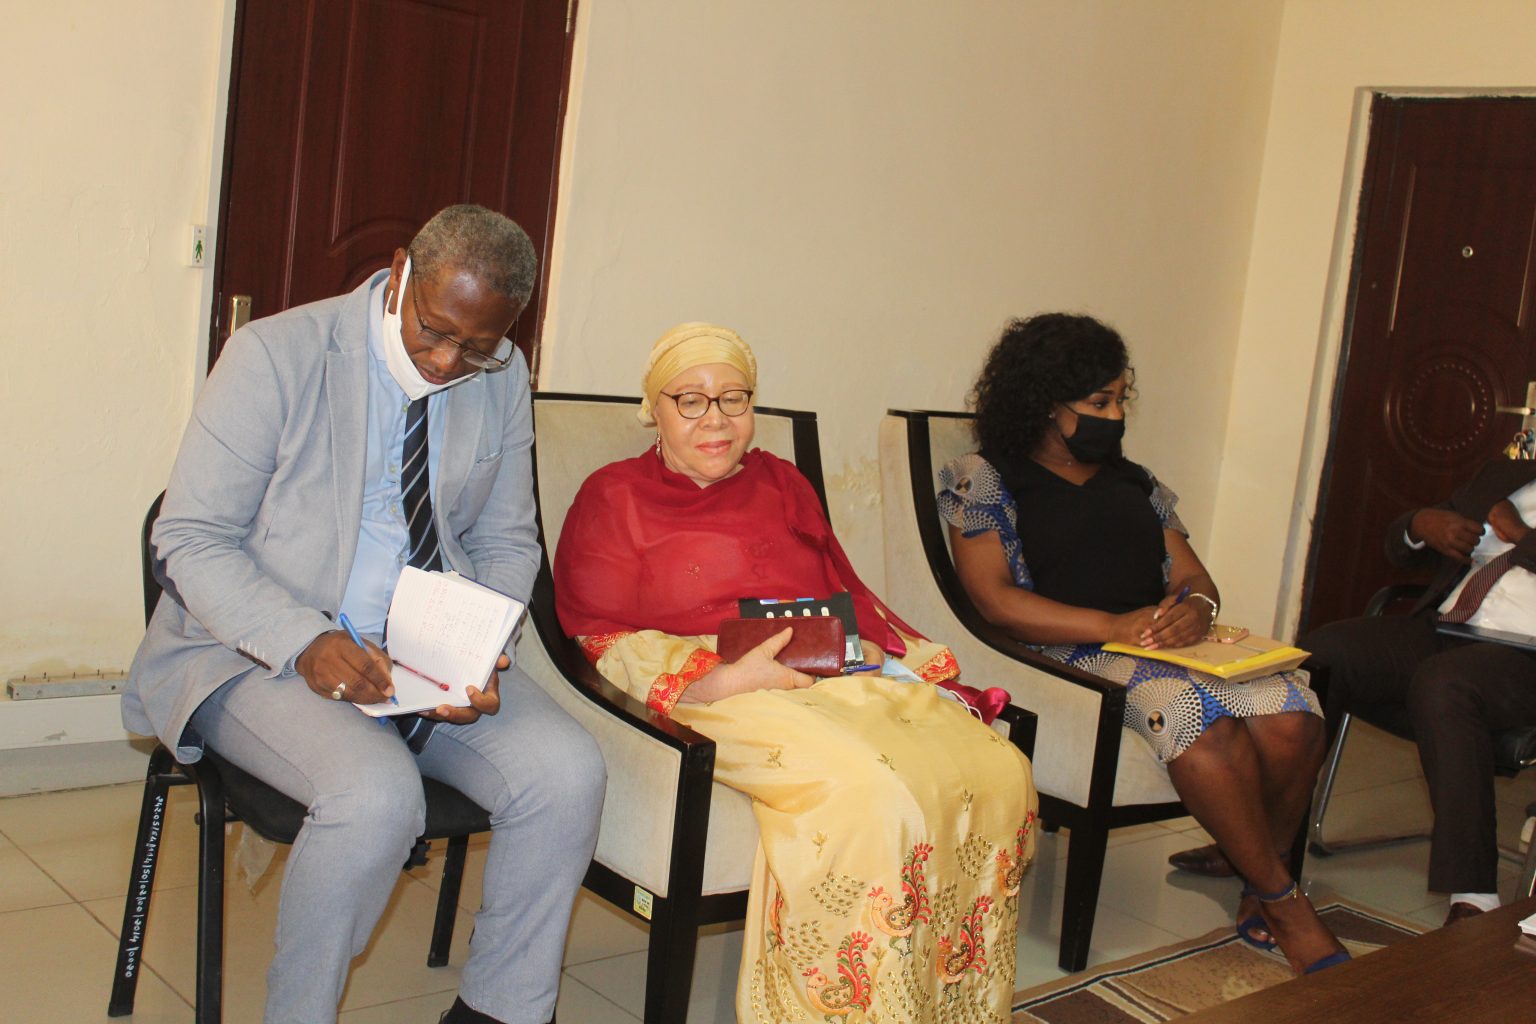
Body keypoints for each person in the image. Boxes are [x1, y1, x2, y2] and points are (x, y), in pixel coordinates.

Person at [124, 205, 605, 1024]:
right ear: (399, 272)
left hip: (418, 652)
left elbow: (505, 540)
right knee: (376, 797)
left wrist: (475, 648)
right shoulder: (275, 355)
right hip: (256, 647)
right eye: (434, 331)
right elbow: (190, 538)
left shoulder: (502, 377)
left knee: (567, 773)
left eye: (477, 347)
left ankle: (502, 1010)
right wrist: (304, 639)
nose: (447, 361)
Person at [554, 323, 1037, 1022]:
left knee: (995, 768)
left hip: (818, 670)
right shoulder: (613, 495)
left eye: (734, 398)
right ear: (652, 409)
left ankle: (944, 1004)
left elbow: (839, 586)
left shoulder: (781, 480)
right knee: (868, 793)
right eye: (689, 400)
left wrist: (872, 653)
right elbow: (599, 631)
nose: (715, 418)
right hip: (705, 684)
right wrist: (722, 681)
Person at [938, 313, 1347, 975]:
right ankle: (1282, 902)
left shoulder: (1136, 481)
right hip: (1072, 654)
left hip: (1165, 643)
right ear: (1045, 403)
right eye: (1099, 402)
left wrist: (1197, 612)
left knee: (1295, 715)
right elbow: (994, 601)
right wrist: (1113, 627)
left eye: (1122, 399)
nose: (1117, 415)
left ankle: (1253, 867)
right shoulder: (983, 476)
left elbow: (1196, 580)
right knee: (1200, 722)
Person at [1302, 456, 1536, 926]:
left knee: (1445, 683)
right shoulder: (1505, 475)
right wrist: (1419, 526)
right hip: (1447, 630)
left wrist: (1520, 535)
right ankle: (1262, 843)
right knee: (1322, 653)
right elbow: (1400, 546)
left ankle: (1474, 896)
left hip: (1524, 655)